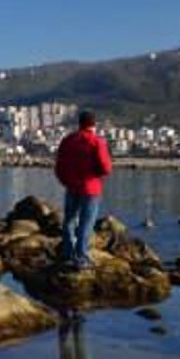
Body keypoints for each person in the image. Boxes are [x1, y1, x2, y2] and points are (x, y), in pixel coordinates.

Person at [54, 110, 113, 269]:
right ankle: (81, 257)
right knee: (86, 223)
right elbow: (106, 167)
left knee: (69, 220)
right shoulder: (97, 141)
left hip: (72, 186)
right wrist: (97, 174)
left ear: (79, 124)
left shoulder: (68, 140)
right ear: (94, 124)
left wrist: (66, 181)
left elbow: (59, 166)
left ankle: (67, 254)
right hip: (91, 187)